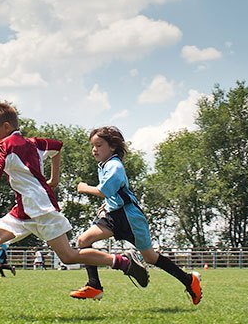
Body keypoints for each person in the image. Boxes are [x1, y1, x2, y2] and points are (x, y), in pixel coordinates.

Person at [0, 102, 148, 316]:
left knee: (69, 256)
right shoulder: (34, 143)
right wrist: (54, 179)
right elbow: (57, 147)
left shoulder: (5, 145)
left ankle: (122, 262)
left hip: (42, 210)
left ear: (6, 127)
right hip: (22, 211)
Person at [71, 126, 202, 305]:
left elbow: (105, 190)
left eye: (99, 145)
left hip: (130, 217)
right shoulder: (104, 165)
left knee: (150, 257)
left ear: (113, 147)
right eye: (93, 146)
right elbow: (116, 193)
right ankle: (94, 286)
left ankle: (189, 280)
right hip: (115, 215)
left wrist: (84, 187)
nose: (94, 149)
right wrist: (107, 205)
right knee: (83, 241)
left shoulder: (114, 166)